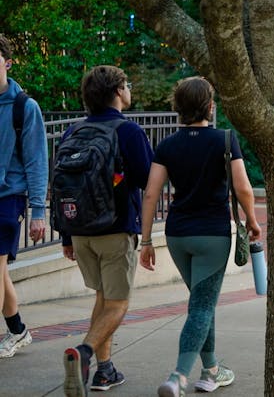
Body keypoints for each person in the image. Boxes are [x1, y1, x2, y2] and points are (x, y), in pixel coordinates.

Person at [138, 77, 261, 396]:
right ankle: (178, 376)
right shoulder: (224, 139)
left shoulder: (167, 144)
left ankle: (211, 371)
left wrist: (147, 240)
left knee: (200, 303)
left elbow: (151, 194)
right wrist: (253, 220)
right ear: (209, 105)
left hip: (178, 235)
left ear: (178, 108)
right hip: (212, 236)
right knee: (203, 307)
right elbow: (243, 187)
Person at [61, 66, 153, 395]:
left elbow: (65, 186)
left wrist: (67, 236)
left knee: (103, 299)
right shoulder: (128, 132)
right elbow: (147, 180)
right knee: (118, 304)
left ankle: (105, 371)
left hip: (81, 231)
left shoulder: (72, 132)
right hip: (115, 230)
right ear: (117, 92)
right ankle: (82, 354)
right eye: (126, 85)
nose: (129, 90)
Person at [0, 35, 47, 360]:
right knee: (0, 272)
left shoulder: (24, 107)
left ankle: (17, 331)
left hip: (7, 199)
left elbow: (36, 160)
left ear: (7, 62)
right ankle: (17, 330)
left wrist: (38, 210)